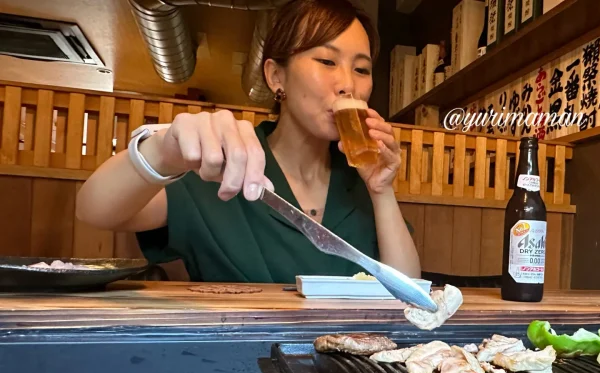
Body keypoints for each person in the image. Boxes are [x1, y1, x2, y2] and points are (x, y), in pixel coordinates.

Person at [75, 0, 421, 283]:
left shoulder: (360, 181)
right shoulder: (223, 158)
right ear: (275, 76)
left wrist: (382, 191)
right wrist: (163, 151)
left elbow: (409, 295)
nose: (348, 84)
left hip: (353, 362)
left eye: (361, 69)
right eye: (327, 61)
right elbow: (95, 210)